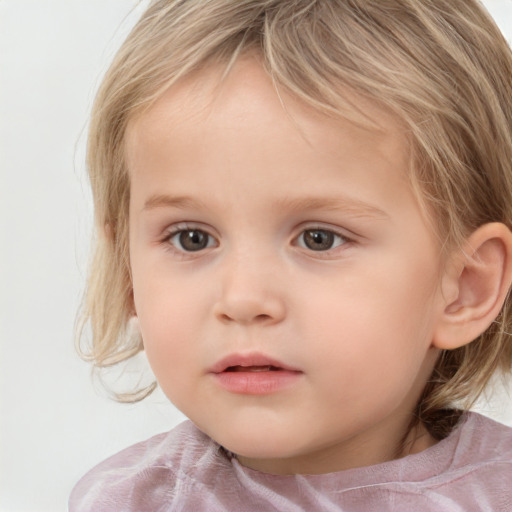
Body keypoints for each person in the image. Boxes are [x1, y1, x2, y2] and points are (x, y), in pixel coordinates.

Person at [69, 0, 512, 510]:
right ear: (128, 273)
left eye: (318, 238)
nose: (243, 298)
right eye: (191, 238)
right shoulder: (129, 501)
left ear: (464, 287)